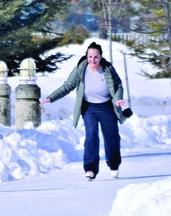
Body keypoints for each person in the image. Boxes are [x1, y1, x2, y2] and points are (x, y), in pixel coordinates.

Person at [40, 42, 129, 180]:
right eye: (90, 57)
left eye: (96, 57)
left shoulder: (107, 69)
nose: (92, 60)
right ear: (86, 56)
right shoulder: (81, 69)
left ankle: (114, 164)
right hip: (89, 108)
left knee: (112, 138)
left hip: (107, 107)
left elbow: (118, 86)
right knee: (91, 135)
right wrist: (50, 98)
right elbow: (68, 86)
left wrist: (118, 99)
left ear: (100, 57)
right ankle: (90, 168)